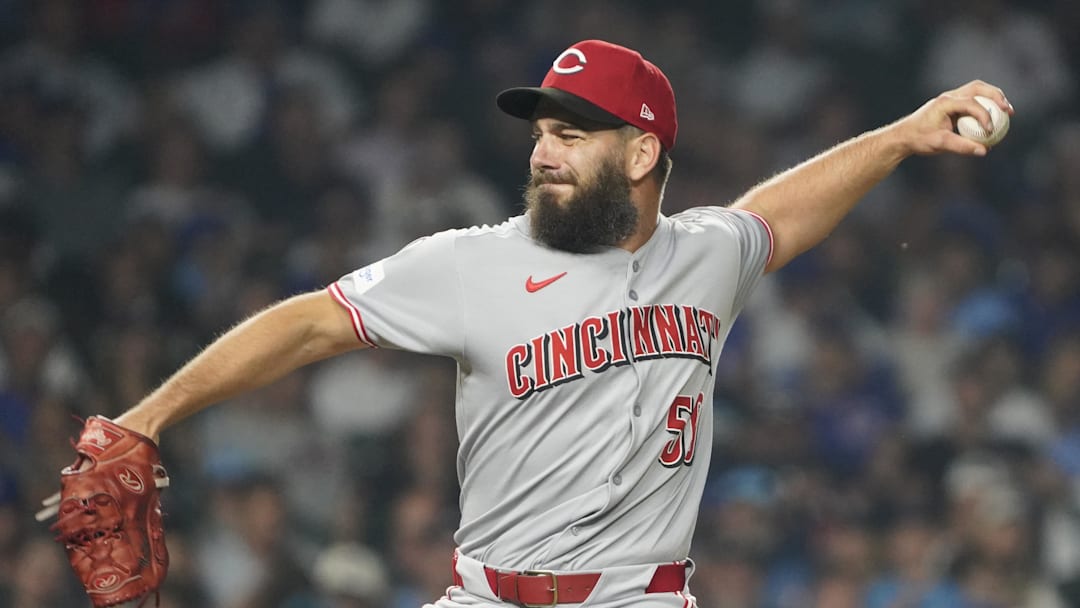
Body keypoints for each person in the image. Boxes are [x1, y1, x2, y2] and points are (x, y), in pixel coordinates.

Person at [97, 39, 1011, 607]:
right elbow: (306, 325)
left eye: (573, 136)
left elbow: (779, 216)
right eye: (540, 133)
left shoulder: (707, 255)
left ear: (643, 151)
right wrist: (148, 417)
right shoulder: (470, 262)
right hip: (487, 596)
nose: (543, 152)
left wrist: (898, 136)